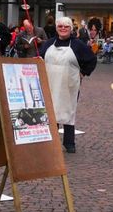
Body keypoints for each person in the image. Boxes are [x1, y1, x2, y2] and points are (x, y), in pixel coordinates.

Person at [39, 16, 97, 153]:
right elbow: (39, 57)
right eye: (60, 26)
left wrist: (83, 73)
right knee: (51, 112)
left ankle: (69, 142)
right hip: (50, 83)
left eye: (66, 26)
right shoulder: (48, 43)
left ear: (71, 29)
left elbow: (92, 60)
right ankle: (51, 141)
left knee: (68, 112)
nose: (63, 29)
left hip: (69, 85)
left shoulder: (78, 45)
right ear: (56, 28)